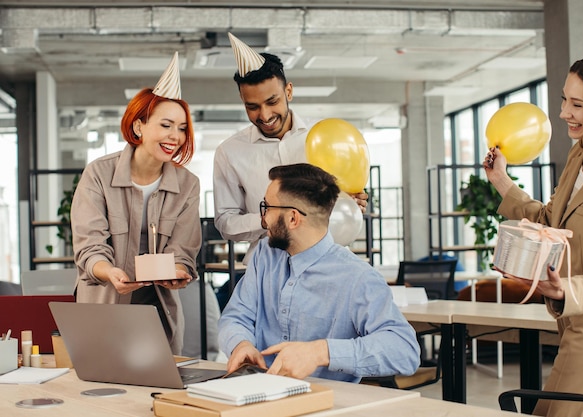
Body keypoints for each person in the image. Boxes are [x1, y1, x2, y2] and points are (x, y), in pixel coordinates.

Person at [483, 11, 583, 417]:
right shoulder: (579, 157)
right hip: (569, 324)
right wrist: (502, 183)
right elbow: (550, 223)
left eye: (577, 104)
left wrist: (566, 291)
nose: (563, 112)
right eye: (564, 99)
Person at [218, 163, 420, 382]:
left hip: (326, 404)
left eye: (267, 207)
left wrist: (320, 352)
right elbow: (236, 316)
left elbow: (405, 351)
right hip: (258, 395)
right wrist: (241, 344)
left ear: (293, 218)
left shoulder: (357, 277)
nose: (263, 218)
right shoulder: (264, 256)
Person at [71, 52, 202, 354]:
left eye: (182, 128)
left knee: (155, 389)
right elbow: (89, 244)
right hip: (105, 300)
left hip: (157, 308)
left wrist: (179, 271)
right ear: (140, 126)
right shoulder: (99, 174)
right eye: (166, 125)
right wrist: (109, 271)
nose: (176, 136)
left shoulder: (188, 185)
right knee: (101, 385)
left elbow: (183, 248)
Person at [213, 33, 368, 265]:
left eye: (272, 101)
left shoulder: (323, 140)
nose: (264, 115)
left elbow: (343, 201)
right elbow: (226, 223)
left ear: (289, 92)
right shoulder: (229, 152)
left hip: (324, 265)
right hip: (265, 269)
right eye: (252, 106)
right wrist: (269, 220)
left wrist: (354, 203)